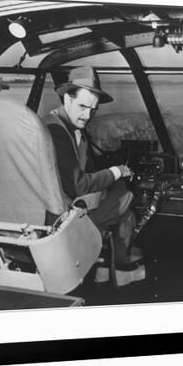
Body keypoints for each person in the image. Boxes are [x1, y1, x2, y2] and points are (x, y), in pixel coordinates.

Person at [44, 66, 145, 285]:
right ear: (66, 98)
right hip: (64, 219)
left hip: (61, 207)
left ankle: (104, 267)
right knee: (125, 198)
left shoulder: (64, 125)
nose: (88, 115)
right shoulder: (57, 132)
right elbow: (78, 185)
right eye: (82, 106)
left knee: (122, 205)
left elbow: (85, 169)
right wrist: (116, 171)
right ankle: (119, 268)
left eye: (93, 109)